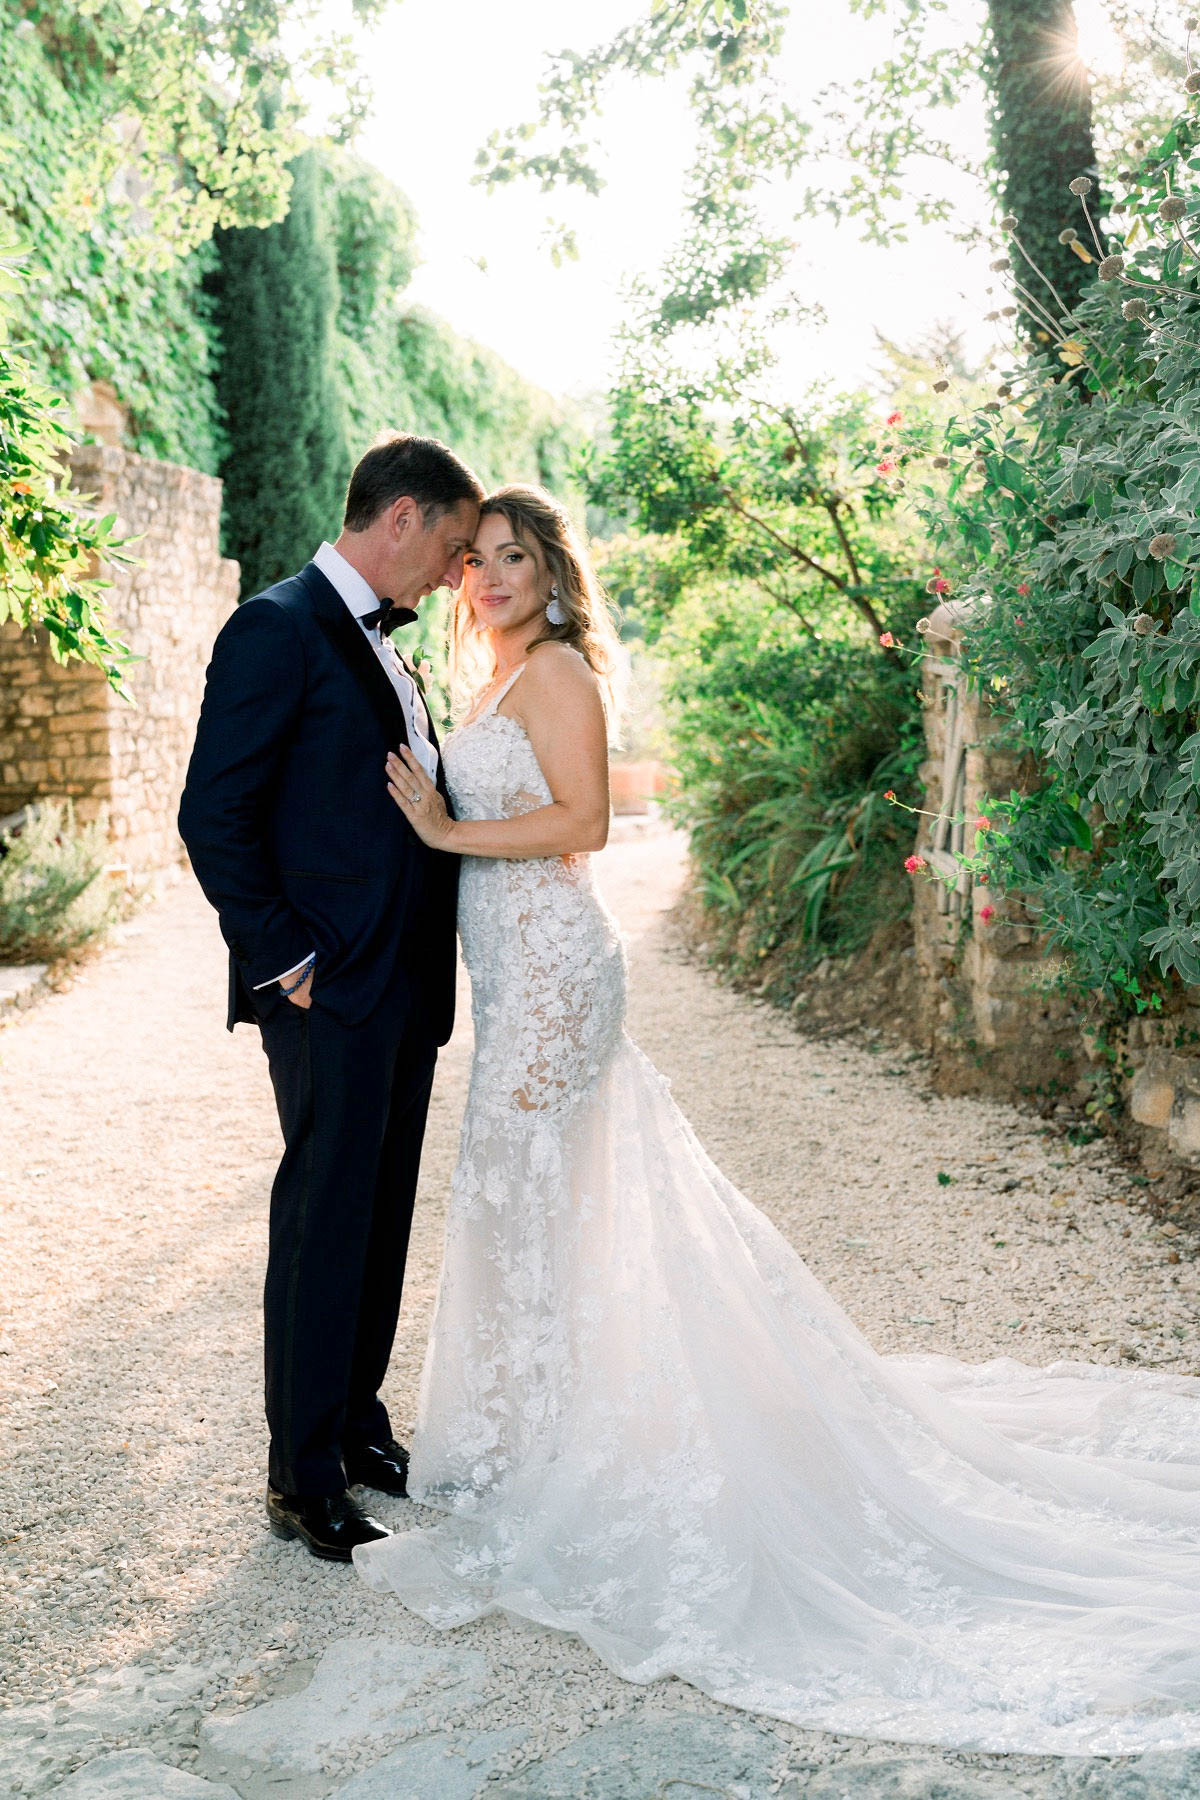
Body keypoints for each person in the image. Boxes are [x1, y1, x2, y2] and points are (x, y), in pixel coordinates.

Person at [353, 482, 1200, 1756]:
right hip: (513, 974)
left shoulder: (562, 674)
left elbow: (582, 826)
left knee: (522, 1192)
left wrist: (444, 826)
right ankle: (538, 1428)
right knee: (530, 1201)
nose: (488, 581)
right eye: (474, 562)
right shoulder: (499, 673)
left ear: (553, 572)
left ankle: (552, 1447)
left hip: (554, 975)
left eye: (513, 560)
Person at [178, 434, 482, 1562]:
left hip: (404, 984)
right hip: (329, 989)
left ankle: (355, 1426)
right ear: (400, 518)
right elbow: (214, 813)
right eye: (453, 548)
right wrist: (286, 962)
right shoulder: (277, 626)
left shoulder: (385, 648)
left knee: (381, 1212)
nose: (458, 575)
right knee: (321, 1221)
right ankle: (301, 1478)